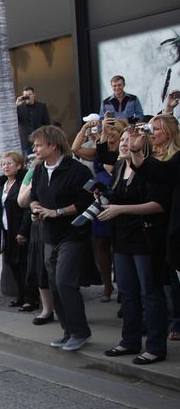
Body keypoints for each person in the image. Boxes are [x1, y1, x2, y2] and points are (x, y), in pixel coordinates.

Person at [97, 128, 169, 365]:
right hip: (122, 236)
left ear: (141, 142)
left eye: (129, 140)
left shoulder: (151, 167)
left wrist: (120, 209)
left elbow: (158, 204)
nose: (124, 143)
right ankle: (130, 340)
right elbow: (115, 197)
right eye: (123, 140)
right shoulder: (119, 167)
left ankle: (156, 347)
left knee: (150, 291)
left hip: (145, 236)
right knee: (127, 291)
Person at [28, 125, 95, 352]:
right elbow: (34, 196)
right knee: (55, 284)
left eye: (38, 145)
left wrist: (57, 212)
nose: (35, 149)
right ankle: (68, 331)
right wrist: (36, 208)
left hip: (72, 234)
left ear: (53, 145)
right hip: (49, 235)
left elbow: (86, 201)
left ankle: (80, 332)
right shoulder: (39, 170)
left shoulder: (77, 170)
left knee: (65, 281)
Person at [129, 115, 180, 342]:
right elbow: (151, 171)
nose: (151, 132)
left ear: (169, 132)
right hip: (160, 228)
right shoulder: (156, 157)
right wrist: (135, 150)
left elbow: (163, 173)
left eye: (157, 129)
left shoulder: (176, 157)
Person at [73, 115, 126, 303]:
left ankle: (123, 287)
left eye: (114, 130)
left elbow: (114, 169)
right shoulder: (99, 151)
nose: (110, 133)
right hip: (99, 200)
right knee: (101, 244)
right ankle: (107, 285)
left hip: (118, 199)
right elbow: (75, 149)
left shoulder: (124, 152)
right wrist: (85, 128)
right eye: (107, 129)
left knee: (118, 245)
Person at [0, 152, 38, 310]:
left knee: (24, 265)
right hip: (6, 230)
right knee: (12, 264)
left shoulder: (22, 183)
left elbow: (26, 209)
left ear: (19, 166)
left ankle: (31, 299)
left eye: (9, 163)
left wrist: (23, 231)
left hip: (19, 230)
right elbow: (1, 208)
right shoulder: (2, 184)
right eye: (3, 164)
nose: (6, 167)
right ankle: (21, 296)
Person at [17, 155, 56, 326]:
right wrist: (35, 180)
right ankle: (47, 309)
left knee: (60, 271)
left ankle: (66, 308)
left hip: (61, 223)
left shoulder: (67, 169)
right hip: (39, 225)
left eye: (39, 146)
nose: (36, 150)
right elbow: (22, 201)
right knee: (41, 268)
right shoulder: (32, 173)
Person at [15, 86, 51, 152]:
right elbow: (13, 121)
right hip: (25, 142)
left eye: (30, 94)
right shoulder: (19, 108)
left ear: (34, 94)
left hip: (39, 140)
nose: (28, 97)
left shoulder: (42, 106)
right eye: (25, 95)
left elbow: (47, 124)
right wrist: (16, 105)